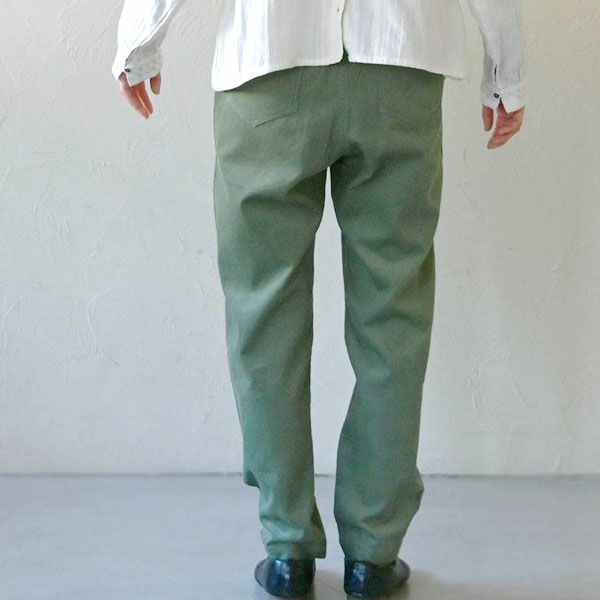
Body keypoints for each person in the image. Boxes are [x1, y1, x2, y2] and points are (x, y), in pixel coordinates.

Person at [112, 2, 526, 598]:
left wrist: (139, 42)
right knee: (393, 311)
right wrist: (506, 69)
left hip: (268, 64)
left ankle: (287, 551)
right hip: (400, 65)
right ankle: (373, 556)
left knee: (263, 311)